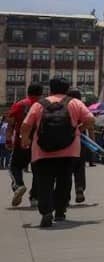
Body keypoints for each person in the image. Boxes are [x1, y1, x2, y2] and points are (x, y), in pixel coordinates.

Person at [20, 77, 94, 227]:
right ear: (67, 89)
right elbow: (91, 120)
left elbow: (26, 125)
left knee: (44, 182)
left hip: (42, 151)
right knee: (64, 181)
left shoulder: (39, 105)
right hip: (69, 150)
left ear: (50, 89)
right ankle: (60, 212)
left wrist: (25, 140)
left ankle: (46, 212)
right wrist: (78, 129)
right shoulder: (75, 103)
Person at [6, 83, 43, 207]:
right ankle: (35, 198)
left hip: (21, 143)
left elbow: (10, 124)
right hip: (40, 145)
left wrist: (8, 140)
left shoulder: (19, 105)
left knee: (14, 167)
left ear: (28, 92)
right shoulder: (44, 106)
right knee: (38, 172)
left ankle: (19, 185)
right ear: (41, 93)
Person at [66, 89, 88, 204]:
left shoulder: (63, 106)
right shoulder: (81, 106)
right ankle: (79, 188)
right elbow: (90, 122)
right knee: (80, 167)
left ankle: (65, 194)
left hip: (65, 141)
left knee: (66, 169)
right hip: (81, 140)